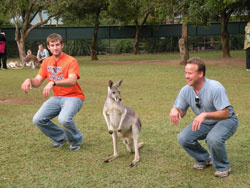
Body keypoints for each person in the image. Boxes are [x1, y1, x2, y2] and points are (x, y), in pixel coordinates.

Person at [169, 57, 238, 178]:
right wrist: (175, 110)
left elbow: (226, 113)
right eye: (185, 72)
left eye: (190, 73)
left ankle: (223, 167)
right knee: (183, 138)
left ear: (200, 74)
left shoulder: (215, 87)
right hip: (206, 122)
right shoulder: (186, 90)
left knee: (213, 139)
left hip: (226, 120)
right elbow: (182, 111)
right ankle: (205, 159)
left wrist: (205, 114)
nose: (186, 76)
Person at [21, 33, 85, 151]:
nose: (55, 48)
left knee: (64, 119)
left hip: (74, 97)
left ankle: (76, 141)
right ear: (48, 47)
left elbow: (72, 80)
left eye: (57, 45)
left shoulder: (71, 61)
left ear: (62, 45)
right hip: (57, 97)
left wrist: (53, 82)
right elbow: (38, 81)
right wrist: (29, 80)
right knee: (38, 119)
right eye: (52, 45)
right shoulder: (46, 62)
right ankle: (61, 137)